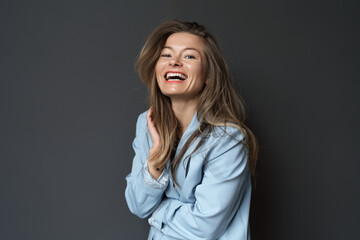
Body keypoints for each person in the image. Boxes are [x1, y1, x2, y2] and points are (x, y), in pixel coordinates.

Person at [125, 20, 258, 240]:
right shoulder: (146, 124)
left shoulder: (229, 139)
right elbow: (137, 205)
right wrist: (156, 160)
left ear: (208, 76)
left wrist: (157, 212)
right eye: (166, 55)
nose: (174, 62)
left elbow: (204, 226)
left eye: (189, 56)